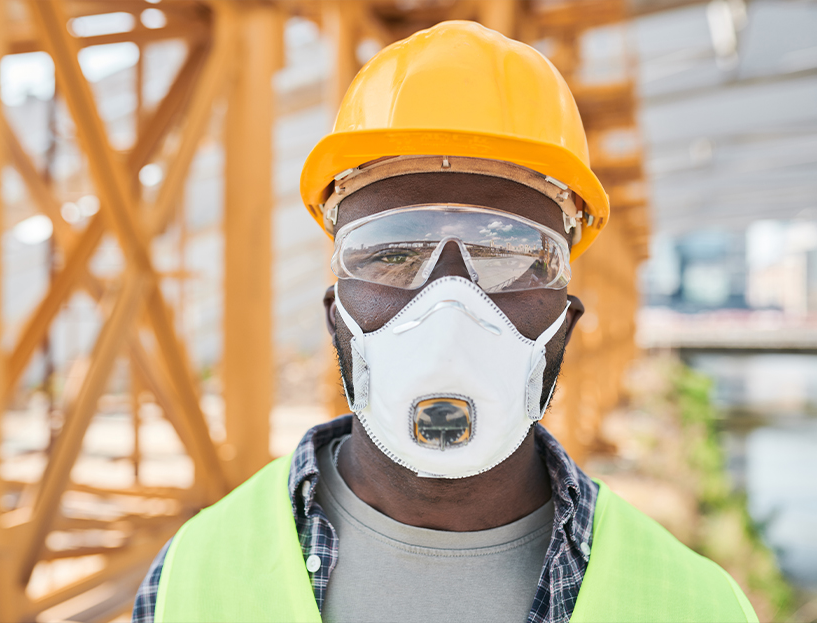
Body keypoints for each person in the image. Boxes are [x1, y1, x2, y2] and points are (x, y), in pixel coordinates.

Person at [133, 20, 757, 623]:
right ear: (336, 317)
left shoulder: (698, 609)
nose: (449, 304)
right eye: (392, 254)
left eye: (511, 255)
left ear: (563, 325)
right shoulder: (190, 580)